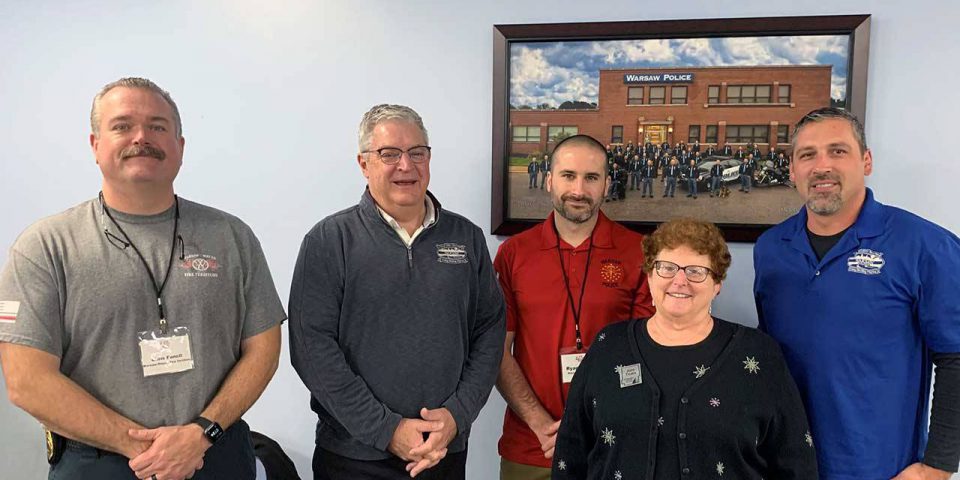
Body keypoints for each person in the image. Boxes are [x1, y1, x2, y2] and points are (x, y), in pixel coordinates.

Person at [0, 77, 285, 479]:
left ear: (180, 147)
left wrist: (200, 435)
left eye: (157, 127)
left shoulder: (231, 236)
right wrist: (147, 449)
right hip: (98, 464)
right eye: (122, 126)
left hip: (214, 455)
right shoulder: (45, 246)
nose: (141, 137)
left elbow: (264, 348)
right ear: (95, 144)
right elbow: (27, 380)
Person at [288, 104, 505, 480]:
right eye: (389, 154)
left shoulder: (466, 238)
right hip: (354, 459)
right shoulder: (329, 240)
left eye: (417, 153)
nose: (406, 165)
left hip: (443, 452)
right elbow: (311, 349)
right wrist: (386, 429)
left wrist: (457, 415)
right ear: (363, 163)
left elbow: (489, 330)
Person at [754, 107, 960, 480]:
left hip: (879, 467)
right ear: (792, 170)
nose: (822, 166)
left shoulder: (925, 245)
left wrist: (938, 466)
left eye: (838, 151)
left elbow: (957, 356)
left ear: (866, 161)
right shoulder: (770, 249)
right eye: (807, 155)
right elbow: (766, 359)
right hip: (784, 463)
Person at [552, 218, 818, 479]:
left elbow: (795, 462)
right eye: (666, 267)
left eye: (695, 271)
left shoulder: (759, 354)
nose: (679, 281)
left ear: (717, 285)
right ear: (649, 276)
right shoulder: (608, 347)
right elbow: (571, 453)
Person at [494, 134, 654, 480]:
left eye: (591, 178)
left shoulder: (638, 252)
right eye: (568, 176)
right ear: (549, 180)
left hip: (611, 445)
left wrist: (597, 425)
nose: (579, 190)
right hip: (531, 445)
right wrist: (539, 423)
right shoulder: (513, 254)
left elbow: (647, 355)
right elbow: (495, 350)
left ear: (607, 184)